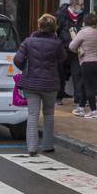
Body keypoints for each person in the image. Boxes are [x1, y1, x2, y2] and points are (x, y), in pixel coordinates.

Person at [13, 13, 67, 157]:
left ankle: (31, 147)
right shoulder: (57, 43)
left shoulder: (28, 41)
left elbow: (17, 60)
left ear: (39, 25)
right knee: (49, 114)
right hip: (50, 84)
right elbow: (63, 58)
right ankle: (48, 146)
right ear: (54, 27)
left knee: (32, 114)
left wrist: (25, 68)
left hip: (31, 83)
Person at [68, 12, 97, 119]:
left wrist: (78, 51)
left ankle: (94, 111)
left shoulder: (83, 33)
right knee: (84, 85)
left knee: (89, 87)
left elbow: (71, 46)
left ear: (84, 22)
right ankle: (81, 107)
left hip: (86, 62)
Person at [54, 0, 85, 104]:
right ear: (73, 4)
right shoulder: (61, 15)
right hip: (63, 49)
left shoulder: (82, 16)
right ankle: (58, 97)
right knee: (60, 74)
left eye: (82, 4)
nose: (82, 7)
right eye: (80, 5)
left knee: (78, 74)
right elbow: (55, 31)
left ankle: (79, 99)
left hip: (77, 50)